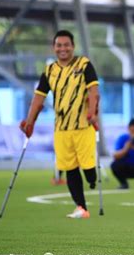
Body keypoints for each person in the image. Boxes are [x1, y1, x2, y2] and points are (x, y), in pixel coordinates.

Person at [20, 30, 100, 219]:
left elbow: (94, 91)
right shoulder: (49, 71)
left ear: (73, 46)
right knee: (69, 168)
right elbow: (38, 99)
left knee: (88, 170)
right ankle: (82, 208)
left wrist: (92, 111)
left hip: (83, 127)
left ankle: (92, 179)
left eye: (66, 45)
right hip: (61, 129)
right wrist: (29, 122)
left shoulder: (84, 65)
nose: (62, 48)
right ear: (53, 47)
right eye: (59, 45)